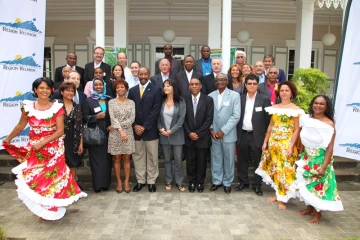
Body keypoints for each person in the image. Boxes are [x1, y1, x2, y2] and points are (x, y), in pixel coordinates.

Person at [2, 78, 87, 221]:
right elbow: (20, 126)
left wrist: (43, 142)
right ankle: (42, 208)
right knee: (37, 178)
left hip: (54, 149)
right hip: (35, 149)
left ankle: (52, 207)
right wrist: (8, 139)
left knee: (53, 179)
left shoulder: (56, 108)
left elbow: (60, 131)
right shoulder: (27, 107)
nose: (44, 91)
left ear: (51, 91)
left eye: (47, 88)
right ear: (35, 90)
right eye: (41, 88)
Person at [255, 81, 304, 210]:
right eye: (282, 90)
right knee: (275, 170)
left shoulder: (296, 110)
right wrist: (265, 142)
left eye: (286, 90)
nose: (284, 92)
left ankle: (283, 198)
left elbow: (297, 129)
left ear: (291, 93)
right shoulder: (274, 107)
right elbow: (271, 126)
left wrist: (291, 146)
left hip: (286, 144)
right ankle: (278, 194)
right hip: (273, 143)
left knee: (285, 170)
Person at [295, 95, 343, 224]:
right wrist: (300, 156)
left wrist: (323, 166)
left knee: (318, 186)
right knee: (306, 184)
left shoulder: (329, 123)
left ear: (326, 106)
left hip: (320, 159)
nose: (318, 106)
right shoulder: (306, 119)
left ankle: (318, 213)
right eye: (316, 103)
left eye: (321, 104)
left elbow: (330, 147)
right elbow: (302, 140)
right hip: (306, 157)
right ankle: (309, 208)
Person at [235, 74, 271, 196]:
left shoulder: (264, 99)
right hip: (243, 134)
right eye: (249, 83)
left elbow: (268, 119)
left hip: (257, 135)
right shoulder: (240, 98)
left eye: (254, 83)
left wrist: (265, 137)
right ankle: (244, 182)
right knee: (242, 161)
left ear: (257, 85)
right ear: (245, 85)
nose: (251, 85)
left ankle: (257, 185)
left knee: (257, 161)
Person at [128, 67, 162, 193]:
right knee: (138, 156)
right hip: (136, 130)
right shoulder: (132, 91)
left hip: (150, 130)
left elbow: (156, 109)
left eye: (145, 74)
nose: (142, 76)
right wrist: (135, 125)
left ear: (149, 74)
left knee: (152, 156)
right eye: (140, 74)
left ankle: (152, 181)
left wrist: (145, 126)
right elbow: (130, 109)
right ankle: (140, 180)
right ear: (138, 75)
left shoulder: (156, 89)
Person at [208, 73, 240, 194]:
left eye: (222, 80)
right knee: (216, 158)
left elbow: (236, 116)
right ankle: (216, 181)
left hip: (228, 134)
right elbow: (208, 115)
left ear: (227, 82)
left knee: (229, 159)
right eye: (217, 80)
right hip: (214, 134)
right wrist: (211, 130)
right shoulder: (210, 96)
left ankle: (227, 182)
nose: (219, 82)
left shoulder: (234, 95)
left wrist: (223, 131)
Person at [82, 78, 113, 193]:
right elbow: (84, 117)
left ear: (104, 86)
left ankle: (106, 184)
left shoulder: (109, 99)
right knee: (96, 161)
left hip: (109, 133)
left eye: (101, 85)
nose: (99, 87)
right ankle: (97, 185)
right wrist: (95, 117)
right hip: (95, 135)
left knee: (107, 160)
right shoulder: (88, 100)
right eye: (96, 85)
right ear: (93, 87)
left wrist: (112, 125)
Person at [184, 78, 214, 192]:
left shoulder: (208, 99)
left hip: (203, 137)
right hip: (189, 136)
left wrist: (198, 133)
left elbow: (209, 118)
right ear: (189, 86)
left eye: (197, 84)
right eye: (192, 84)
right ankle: (191, 182)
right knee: (190, 162)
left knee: (202, 162)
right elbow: (183, 119)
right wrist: (189, 133)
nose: (194, 86)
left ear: (201, 86)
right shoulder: (184, 100)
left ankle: (200, 182)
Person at [158, 79, 186, 192]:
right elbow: (158, 117)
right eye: (164, 86)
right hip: (164, 135)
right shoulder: (161, 101)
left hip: (177, 135)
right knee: (167, 159)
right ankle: (168, 180)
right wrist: (160, 128)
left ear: (174, 88)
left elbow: (181, 119)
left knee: (178, 160)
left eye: (168, 86)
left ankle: (180, 182)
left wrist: (171, 130)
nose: (166, 88)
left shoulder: (181, 101)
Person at [108, 80, 135, 194]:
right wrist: (119, 129)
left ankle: (126, 181)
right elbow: (112, 118)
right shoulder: (111, 102)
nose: (120, 89)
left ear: (126, 88)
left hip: (128, 132)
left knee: (127, 158)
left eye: (122, 87)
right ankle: (119, 181)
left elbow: (132, 118)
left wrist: (120, 127)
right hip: (115, 134)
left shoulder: (131, 103)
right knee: (116, 158)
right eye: (117, 87)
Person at [59, 82, 83, 182]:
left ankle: (73, 186)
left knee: (73, 163)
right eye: (67, 90)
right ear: (61, 92)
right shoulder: (56, 105)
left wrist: (81, 143)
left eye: (72, 91)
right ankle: (61, 186)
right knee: (61, 162)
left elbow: (80, 125)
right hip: (60, 137)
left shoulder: (77, 107)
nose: (70, 93)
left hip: (74, 138)